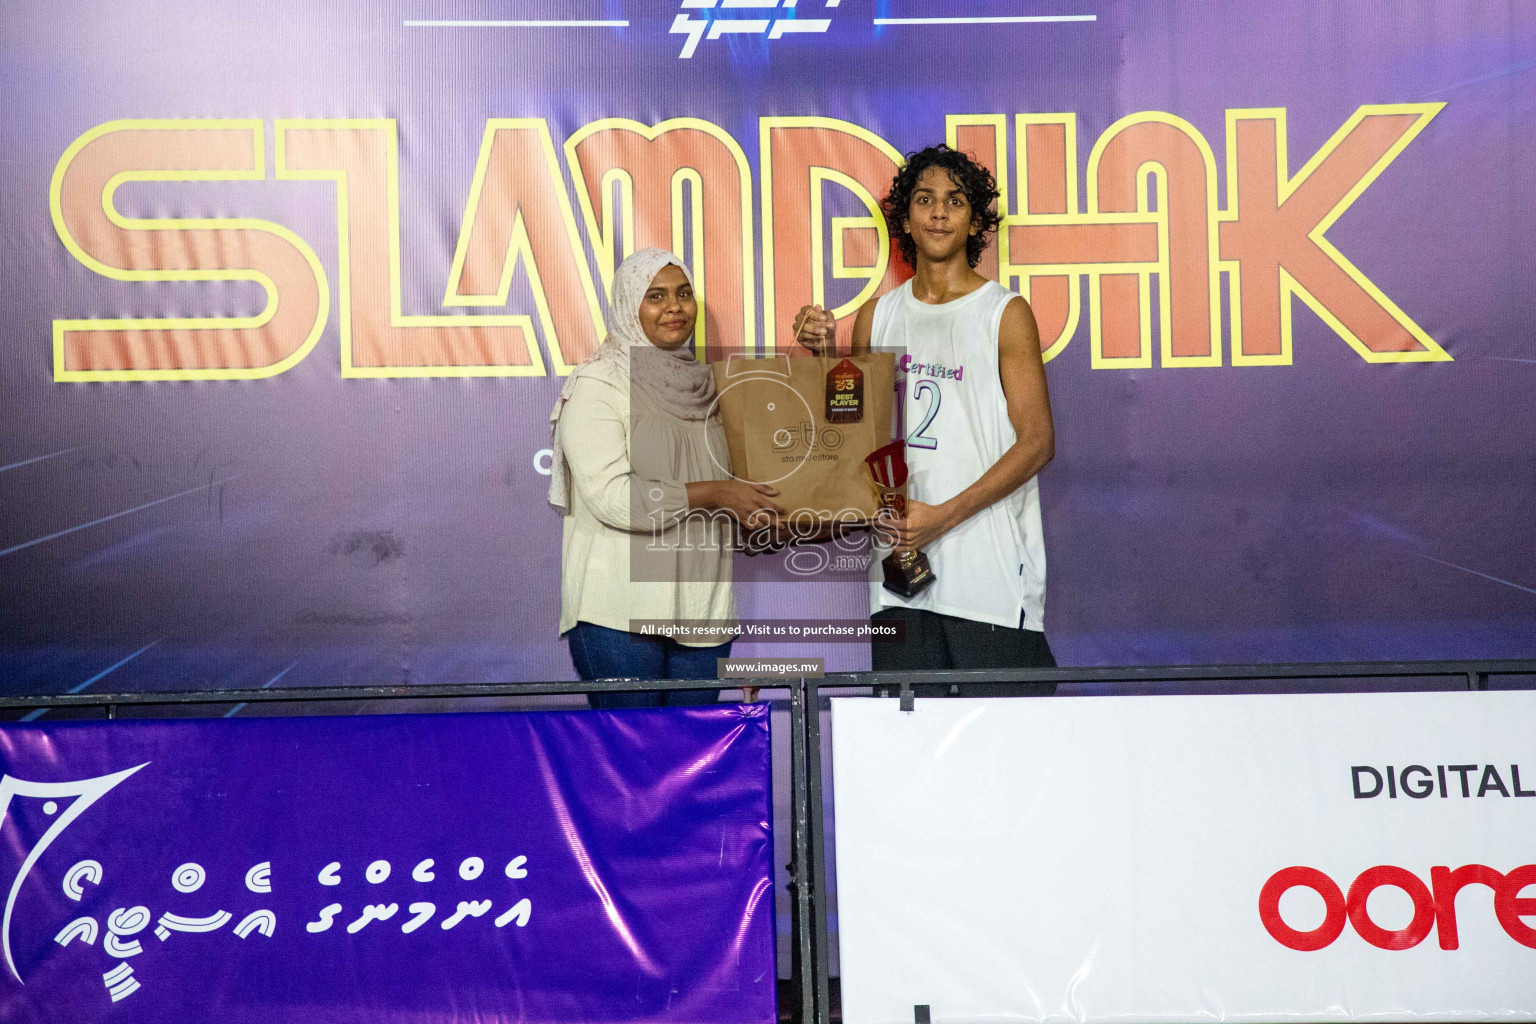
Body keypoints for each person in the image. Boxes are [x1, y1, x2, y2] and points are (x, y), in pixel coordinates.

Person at [795, 145, 1056, 693]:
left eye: (955, 201)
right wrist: (824, 359)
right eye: (925, 200)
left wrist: (942, 515)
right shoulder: (877, 315)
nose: (939, 212)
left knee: (1010, 760)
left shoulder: (1005, 313)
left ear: (975, 219)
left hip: (990, 579)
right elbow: (852, 435)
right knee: (909, 763)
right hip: (901, 580)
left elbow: (1037, 444)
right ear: (906, 218)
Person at [550, 248, 783, 708]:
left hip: (702, 613)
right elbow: (614, 499)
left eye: (684, 293)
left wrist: (762, 514)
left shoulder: (712, 387)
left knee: (690, 769)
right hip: (620, 615)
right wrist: (717, 493)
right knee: (632, 768)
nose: (674, 306)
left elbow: (739, 488)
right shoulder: (600, 383)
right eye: (655, 296)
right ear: (628, 307)